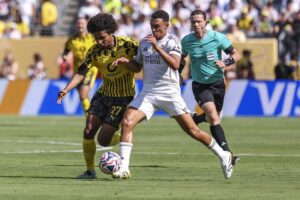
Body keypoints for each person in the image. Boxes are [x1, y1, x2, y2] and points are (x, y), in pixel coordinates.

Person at [112, 10, 233, 180]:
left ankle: (223, 155)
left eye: (158, 27)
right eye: (152, 27)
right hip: (148, 92)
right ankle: (124, 168)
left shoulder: (173, 42)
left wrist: (157, 47)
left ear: (166, 26)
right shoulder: (144, 43)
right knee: (127, 122)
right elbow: (138, 67)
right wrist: (127, 63)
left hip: (170, 93)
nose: (154, 30)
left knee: (193, 131)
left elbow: (176, 64)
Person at [56, 13, 139, 179]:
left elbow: (138, 67)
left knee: (103, 140)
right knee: (88, 130)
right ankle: (90, 171)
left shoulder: (129, 46)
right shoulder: (94, 51)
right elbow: (81, 73)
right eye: (95, 38)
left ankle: (123, 136)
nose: (99, 42)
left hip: (123, 98)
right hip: (103, 94)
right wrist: (67, 89)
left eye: (102, 38)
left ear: (110, 32)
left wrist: (127, 63)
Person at [180, 10, 241, 166]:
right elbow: (181, 58)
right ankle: (227, 154)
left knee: (213, 117)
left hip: (218, 83)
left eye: (199, 21)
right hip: (200, 85)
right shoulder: (186, 41)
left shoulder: (217, 38)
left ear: (206, 22)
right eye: (193, 21)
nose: (196, 24)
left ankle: (197, 118)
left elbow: (236, 54)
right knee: (214, 117)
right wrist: (179, 73)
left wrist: (226, 63)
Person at [62, 16, 98, 114]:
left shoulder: (93, 38)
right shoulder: (72, 40)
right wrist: (65, 57)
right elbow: (65, 51)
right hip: (78, 71)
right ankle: (93, 115)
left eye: (82, 23)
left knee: (83, 95)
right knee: (83, 97)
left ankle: (89, 119)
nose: (80, 25)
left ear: (86, 25)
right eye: (78, 23)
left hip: (90, 70)